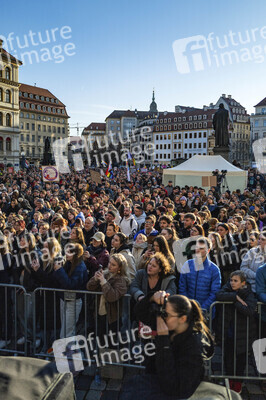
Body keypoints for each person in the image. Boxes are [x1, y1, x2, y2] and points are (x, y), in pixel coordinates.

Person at [122, 292, 214, 399]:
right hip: (155, 382)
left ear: (182, 319)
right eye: (162, 313)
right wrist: (151, 297)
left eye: (166, 315)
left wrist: (163, 341)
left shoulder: (195, 345)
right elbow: (139, 312)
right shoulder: (170, 324)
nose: (162, 318)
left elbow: (175, 387)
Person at [216, 270, 257, 393]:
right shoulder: (227, 289)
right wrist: (234, 297)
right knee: (228, 359)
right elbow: (218, 295)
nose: (232, 283)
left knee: (240, 361)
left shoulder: (249, 293)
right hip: (228, 333)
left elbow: (249, 310)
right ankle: (229, 382)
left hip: (243, 335)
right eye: (231, 280)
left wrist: (235, 303)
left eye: (235, 281)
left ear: (242, 283)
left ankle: (238, 384)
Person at [87, 254, 130, 341]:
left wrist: (103, 282)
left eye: (113, 265)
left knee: (111, 342)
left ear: (120, 268)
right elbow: (89, 287)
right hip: (99, 312)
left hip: (112, 317)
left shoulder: (121, 280)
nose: (110, 266)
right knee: (100, 340)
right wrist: (95, 278)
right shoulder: (105, 274)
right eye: (110, 263)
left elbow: (112, 296)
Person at [53, 243, 88, 338]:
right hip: (65, 299)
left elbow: (71, 284)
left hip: (73, 301)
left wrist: (59, 271)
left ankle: (68, 352)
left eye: (69, 252)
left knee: (66, 333)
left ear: (76, 254)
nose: (66, 254)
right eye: (66, 251)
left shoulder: (80, 267)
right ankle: (71, 352)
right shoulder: (68, 263)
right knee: (67, 331)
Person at [179, 237, 221, 314]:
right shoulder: (187, 265)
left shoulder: (214, 269)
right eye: (197, 247)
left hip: (206, 312)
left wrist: (202, 308)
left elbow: (214, 292)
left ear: (208, 251)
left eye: (201, 248)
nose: (198, 250)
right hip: (188, 309)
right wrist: (188, 305)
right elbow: (182, 287)